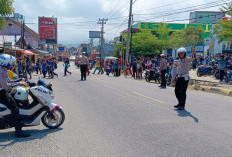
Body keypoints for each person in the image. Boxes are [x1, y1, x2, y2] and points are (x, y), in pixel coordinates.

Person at [0, 54, 30, 137]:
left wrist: (20, 79)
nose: (12, 64)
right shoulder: (1, 71)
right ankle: (18, 131)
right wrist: (20, 83)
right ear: (5, 62)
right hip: (2, 94)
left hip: (3, 91)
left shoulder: (2, 69)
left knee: (15, 97)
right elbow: (6, 85)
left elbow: (9, 81)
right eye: (11, 63)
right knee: (15, 108)